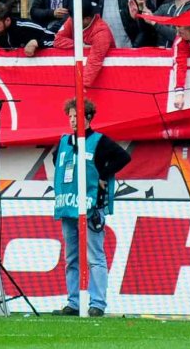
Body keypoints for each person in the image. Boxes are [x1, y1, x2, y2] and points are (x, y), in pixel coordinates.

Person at [51, 97, 130, 318]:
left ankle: (97, 303)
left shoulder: (99, 141)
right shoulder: (65, 141)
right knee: (71, 257)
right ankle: (74, 302)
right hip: (69, 206)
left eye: (77, 116)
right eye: (71, 117)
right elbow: (56, 161)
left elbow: (124, 157)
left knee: (95, 255)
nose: (73, 121)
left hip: (92, 207)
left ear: (88, 117)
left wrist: (103, 175)